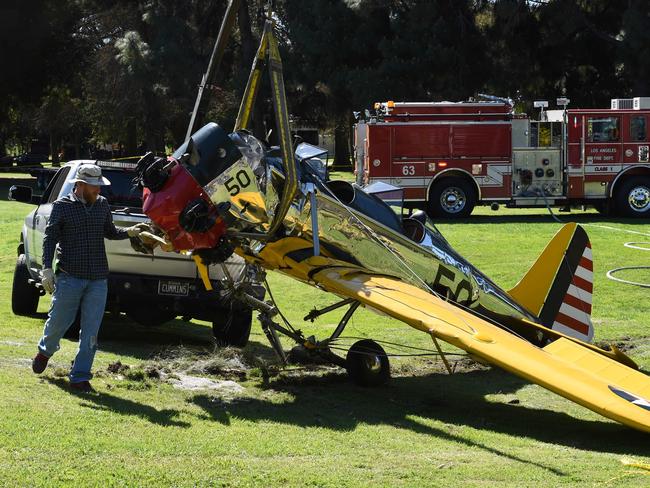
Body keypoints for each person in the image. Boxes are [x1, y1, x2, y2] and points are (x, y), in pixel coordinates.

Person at [31, 164, 144, 392]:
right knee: (58, 323)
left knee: (91, 332)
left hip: (98, 279)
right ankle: (45, 350)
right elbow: (50, 238)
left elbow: (110, 232)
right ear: (80, 185)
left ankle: (80, 377)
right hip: (70, 277)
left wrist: (130, 232)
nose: (99, 191)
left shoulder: (102, 205)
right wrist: (46, 269)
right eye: (94, 187)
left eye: (100, 187)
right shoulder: (62, 207)